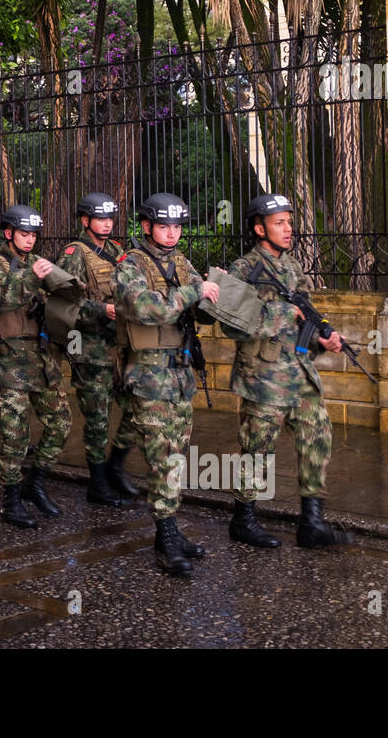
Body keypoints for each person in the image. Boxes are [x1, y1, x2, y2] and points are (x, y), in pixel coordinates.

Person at [221, 193, 352, 549]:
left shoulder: (292, 267)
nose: (288, 228)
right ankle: (243, 518)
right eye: (280, 222)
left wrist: (323, 338)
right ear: (258, 227)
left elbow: (306, 314)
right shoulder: (243, 269)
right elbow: (232, 324)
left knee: (317, 438)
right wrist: (282, 313)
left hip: (299, 372)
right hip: (263, 375)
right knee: (257, 447)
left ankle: (311, 522)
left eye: (289, 222)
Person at [114, 193, 220, 575]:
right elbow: (145, 308)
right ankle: (167, 537)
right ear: (146, 227)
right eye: (164, 226)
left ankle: (167, 533)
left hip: (179, 375)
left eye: (177, 226)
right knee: (161, 459)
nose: (172, 233)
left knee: (176, 457)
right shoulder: (130, 264)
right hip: (148, 376)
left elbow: (200, 311)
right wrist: (195, 291)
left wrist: (213, 295)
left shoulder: (181, 262)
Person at [0, 206, 75, 528]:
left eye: (33, 235)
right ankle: (11, 500)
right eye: (24, 234)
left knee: (61, 423)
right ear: (8, 234)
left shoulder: (38, 265)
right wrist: (34, 277)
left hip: (41, 360)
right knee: (15, 436)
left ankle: (36, 482)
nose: (30, 240)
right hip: (7, 361)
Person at [56, 193, 130, 507]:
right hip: (91, 353)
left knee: (137, 411)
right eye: (100, 218)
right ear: (86, 221)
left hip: (122, 348)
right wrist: (101, 310)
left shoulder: (118, 251)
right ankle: (97, 483)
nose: (107, 223)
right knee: (98, 420)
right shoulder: (74, 253)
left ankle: (116, 466)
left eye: (110, 218)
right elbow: (62, 301)